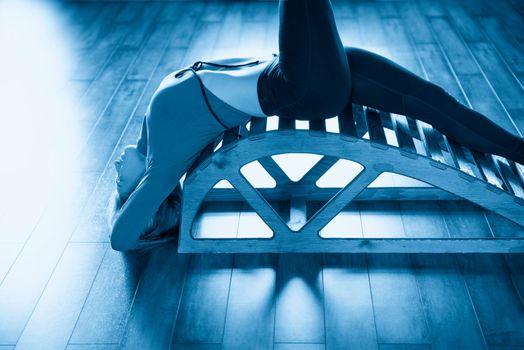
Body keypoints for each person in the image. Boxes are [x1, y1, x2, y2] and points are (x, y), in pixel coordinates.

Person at [108, 0, 524, 251]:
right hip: (299, 84)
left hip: (307, 70)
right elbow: (120, 238)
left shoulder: (153, 131)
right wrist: (136, 207)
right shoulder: (163, 163)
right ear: (144, 200)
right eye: (119, 189)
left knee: (434, 103)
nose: (114, 175)